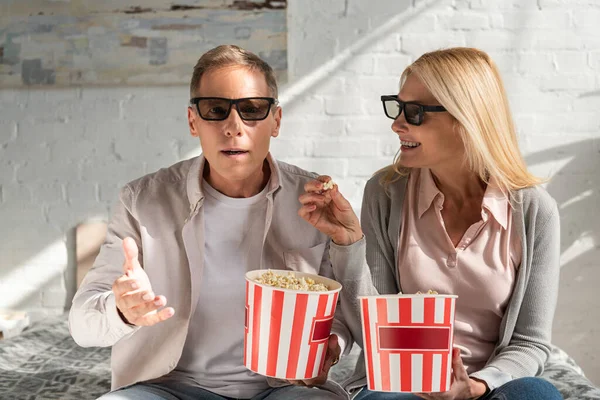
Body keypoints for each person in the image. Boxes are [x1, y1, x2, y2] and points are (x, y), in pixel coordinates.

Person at [69, 44, 361, 400]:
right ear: (194, 121)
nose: (233, 127)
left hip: (284, 388)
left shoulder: (315, 198)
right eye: (216, 110)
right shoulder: (143, 200)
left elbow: (346, 316)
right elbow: (82, 325)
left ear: (276, 121)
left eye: (252, 109)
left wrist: (335, 342)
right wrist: (122, 311)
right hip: (167, 388)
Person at [299, 48, 563, 399]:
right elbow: (373, 332)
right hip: (402, 383)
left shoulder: (534, 210)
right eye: (398, 106)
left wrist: (473, 387)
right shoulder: (386, 192)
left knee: (537, 394)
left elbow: (529, 343)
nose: (396, 124)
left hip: (487, 388)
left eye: (415, 112)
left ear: (466, 119)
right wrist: (349, 242)